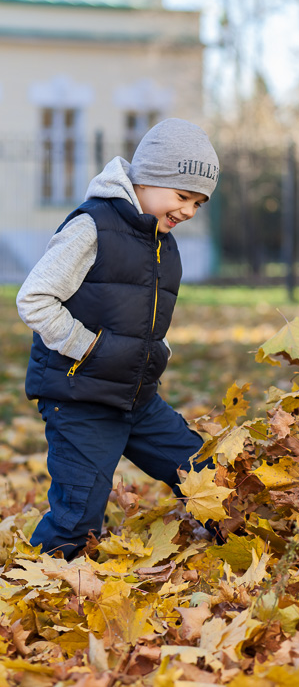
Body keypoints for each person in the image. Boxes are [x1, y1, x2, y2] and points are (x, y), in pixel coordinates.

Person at [16, 118, 220, 560]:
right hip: (81, 397)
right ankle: (37, 584)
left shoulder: (161, 239)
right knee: (77, 522)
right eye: (182, 196)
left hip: (137, 397)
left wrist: (157, 351)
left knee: (206, 475)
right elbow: (34, 299)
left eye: (199, 204)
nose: (188, 211)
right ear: (147, 179)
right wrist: (90, 348)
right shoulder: (93, 227)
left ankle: (246, 542)